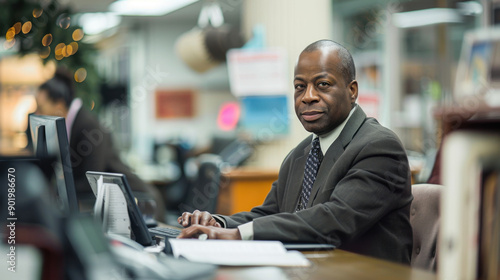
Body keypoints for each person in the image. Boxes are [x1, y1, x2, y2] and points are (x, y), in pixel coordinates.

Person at [177, 39, 413, 264]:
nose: (307, 97)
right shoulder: (300, 154)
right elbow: (269, 214)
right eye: (300, 87)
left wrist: (238, 235)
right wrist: (219, 224)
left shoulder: (379, 146)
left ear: (352, 91)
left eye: (322, 85)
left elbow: (333, 221)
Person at [34, 68, 165, 222]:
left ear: (59, 105)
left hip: (140, 204)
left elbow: (92, 179)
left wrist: (54, 191)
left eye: (40, 107)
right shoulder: (70, 126)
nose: (37, 113)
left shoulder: (88, 126)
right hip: (122, 206)